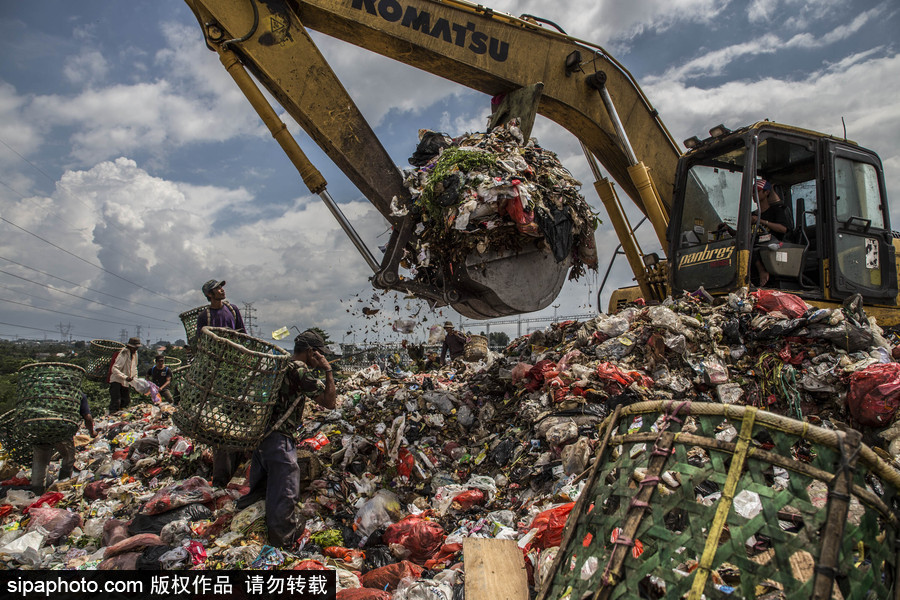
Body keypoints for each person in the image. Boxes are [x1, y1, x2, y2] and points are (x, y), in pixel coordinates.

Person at [235, 329, 336, 548]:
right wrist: (327, 370)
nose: (321, 358)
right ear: (311, 352)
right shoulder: (298, 369)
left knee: (261, 492)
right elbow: (329, 402)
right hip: (279, 441)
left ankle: (246, 532)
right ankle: (283, 543)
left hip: (262, 439)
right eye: (319, 353)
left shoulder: (279, 365)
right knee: (285, 492)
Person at [195, 279, 248, 487]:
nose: (222, 289)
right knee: (220, 423)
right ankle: (220, 479)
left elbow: (243, 334)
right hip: (217, 376)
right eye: (217, 288)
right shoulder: (205, 316)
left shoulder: (232, 310)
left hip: (236, 370)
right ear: (209, 294)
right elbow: (203, 344)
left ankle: (240, 468)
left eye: (221, 287)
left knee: (239, 416)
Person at [32, 392, 95, 494]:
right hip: (62, 433)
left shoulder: (43, 394)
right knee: (68, 458)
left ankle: (36, 493)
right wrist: (92, 432)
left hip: (40, 431)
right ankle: (62, 487)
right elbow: (87, 417)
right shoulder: (76, 394)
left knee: (40, 462)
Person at [752, 178, 792, 287]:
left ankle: (762, 271)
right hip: (756, 243)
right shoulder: (752, 215)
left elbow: (783, 229)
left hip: (774, 245)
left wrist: (761, 221)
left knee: (756, 247)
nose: (753, 195)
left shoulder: (777, 211)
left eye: (757, 191)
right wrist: (728, 229)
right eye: (752, 192)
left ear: (766, 192)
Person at [108, 337, 140, 413]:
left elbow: (134, 367)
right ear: (130, 346)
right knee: (116, 401)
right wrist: (125, 377)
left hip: (125, 382)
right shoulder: (124, 353)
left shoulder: (135, 354)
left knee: (126, 401)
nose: (136, 349)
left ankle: (120, 416)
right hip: (117, 380)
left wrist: (135, 378)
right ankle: (111, 416)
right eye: (135, 347)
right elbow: (114, 369)